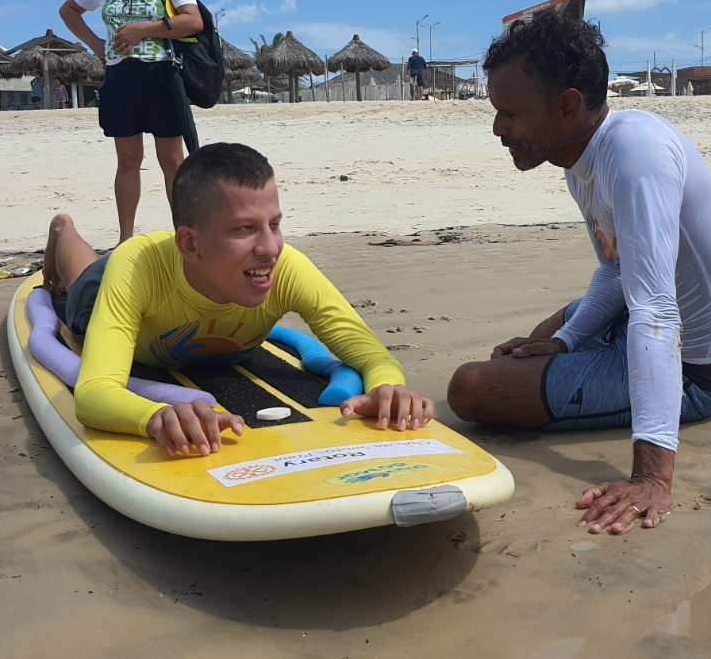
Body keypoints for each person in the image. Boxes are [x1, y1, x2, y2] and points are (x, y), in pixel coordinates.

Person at [447, 12, 711, 535]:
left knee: (472, 389)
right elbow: (616, 271)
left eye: (508, 113)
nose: (497, 128)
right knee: (536, 341)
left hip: (692, 366)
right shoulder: (581, 160)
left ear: (568, 105)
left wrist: (651, 478)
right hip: (663, 319)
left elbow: (656, 311)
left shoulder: (633, 153)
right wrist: (568, 340)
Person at [41, 143, 433, 457]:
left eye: (274, 224)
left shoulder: (287, 267)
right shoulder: (139, 269)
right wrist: (155, 416)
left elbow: (371, 355)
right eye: (245, 229)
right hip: (104, 292)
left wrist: (387, 386)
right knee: (79, 275)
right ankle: (64, 227)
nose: (269, 248)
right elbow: (93, 394)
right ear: (191, 244)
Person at [58, 0, 203, 242]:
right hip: (120, 79)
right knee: (127, 160)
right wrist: (97, 46)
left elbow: (193, 21)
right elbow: (68, 10)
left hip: (161, 74)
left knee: (171, 159)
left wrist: (143, 30)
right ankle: (125, 239)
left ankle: (185, 234)